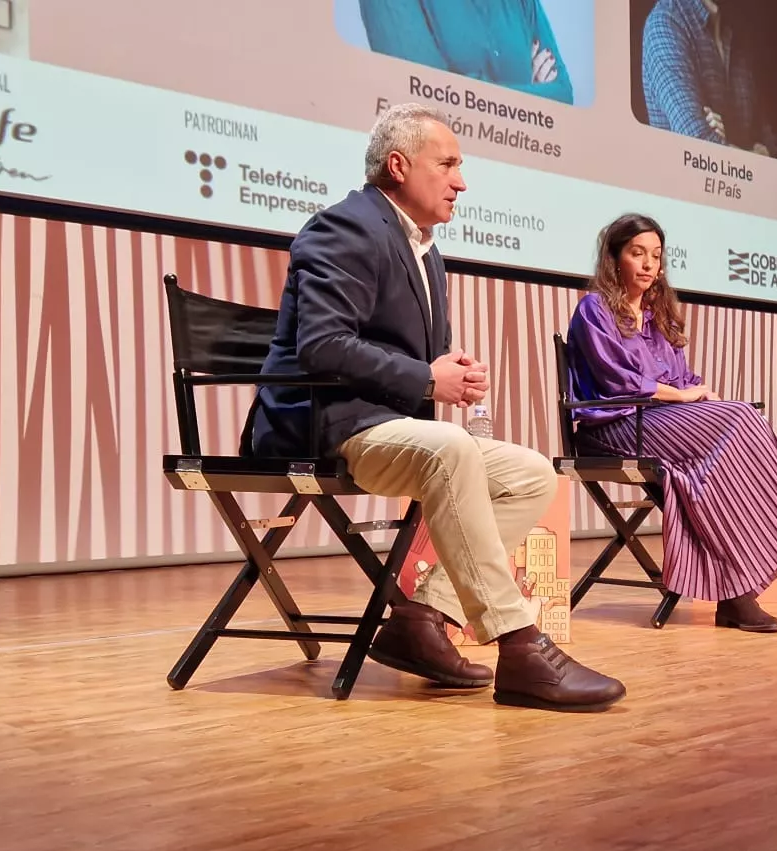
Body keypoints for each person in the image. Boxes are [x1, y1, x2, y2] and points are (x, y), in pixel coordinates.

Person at [247, 102, 623, 712]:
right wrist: (427, 377)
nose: (462, 181)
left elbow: (400, 356)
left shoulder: (426, 249)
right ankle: (520, 645)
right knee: (451, 450)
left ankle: (422, 619)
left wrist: (450, 374)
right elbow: (322, 345)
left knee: (531, 472)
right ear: (398, 166)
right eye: (447, 164)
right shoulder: (344, 228)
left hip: (385, 425)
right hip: (326, 426)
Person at [565, 213, 777, 632]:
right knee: (739, 420)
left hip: (658, 423)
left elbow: (679, 378)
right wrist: (684, 396)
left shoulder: (656, 316)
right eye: (637, 254)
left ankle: (738, 596)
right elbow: (618, 381)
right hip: (615, 427)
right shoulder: (595, 309)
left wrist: (699, 391)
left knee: (721, 457)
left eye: (656, 255)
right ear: (614, 258)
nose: (649, 264)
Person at [359, 0, 575, 105]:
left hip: (518, 176)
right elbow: (426, 97)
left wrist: (467, 86)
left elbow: (562, 95)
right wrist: (533, 96)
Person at [638, 0, 777, 156]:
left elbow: (771, 144)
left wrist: (759, 154)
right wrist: (754, 156)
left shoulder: (737, 29)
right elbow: (696, 142)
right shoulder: (666, 22)